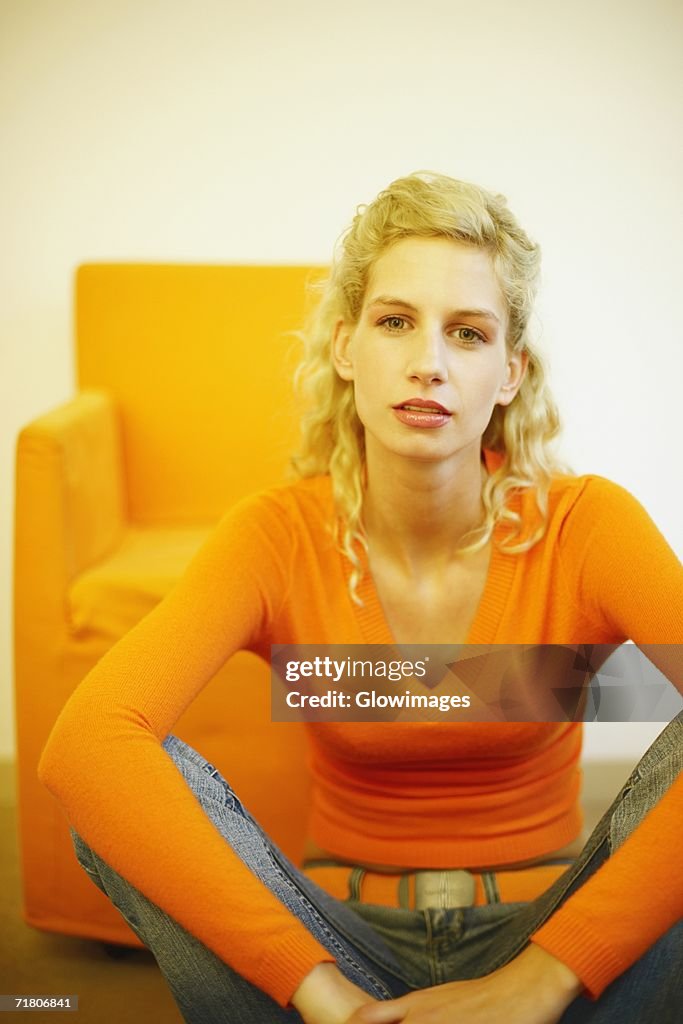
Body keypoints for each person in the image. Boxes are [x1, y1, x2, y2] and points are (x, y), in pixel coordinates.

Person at [38, 172, 683, 1024]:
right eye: (394, 322)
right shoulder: (276, 535)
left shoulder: (586, 525)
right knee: (116, 784)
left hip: (552, 939)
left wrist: (543, 978)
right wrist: (325, 997)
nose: (428, 362)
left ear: (508, 373)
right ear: (345, 348)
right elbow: (84, 745)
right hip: (334, 943)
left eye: (467, 332)